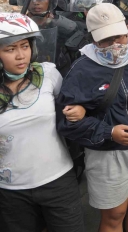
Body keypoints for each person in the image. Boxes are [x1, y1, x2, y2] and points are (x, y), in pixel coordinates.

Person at [56, 3, 128, 232]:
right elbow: (67, 123)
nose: (115, 45)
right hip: (106, 155)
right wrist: (109, 132)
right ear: (93, 40)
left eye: (120, 37)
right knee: (115, 215)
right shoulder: (81, 70)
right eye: (106, 40)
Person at [0, 13, 84, 232]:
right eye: (10, 49)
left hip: (58, 181)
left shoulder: (48, 74)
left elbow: (69, 105)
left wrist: (78, 110)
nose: (20, 56)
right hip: (10, 190)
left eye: (25, 46)